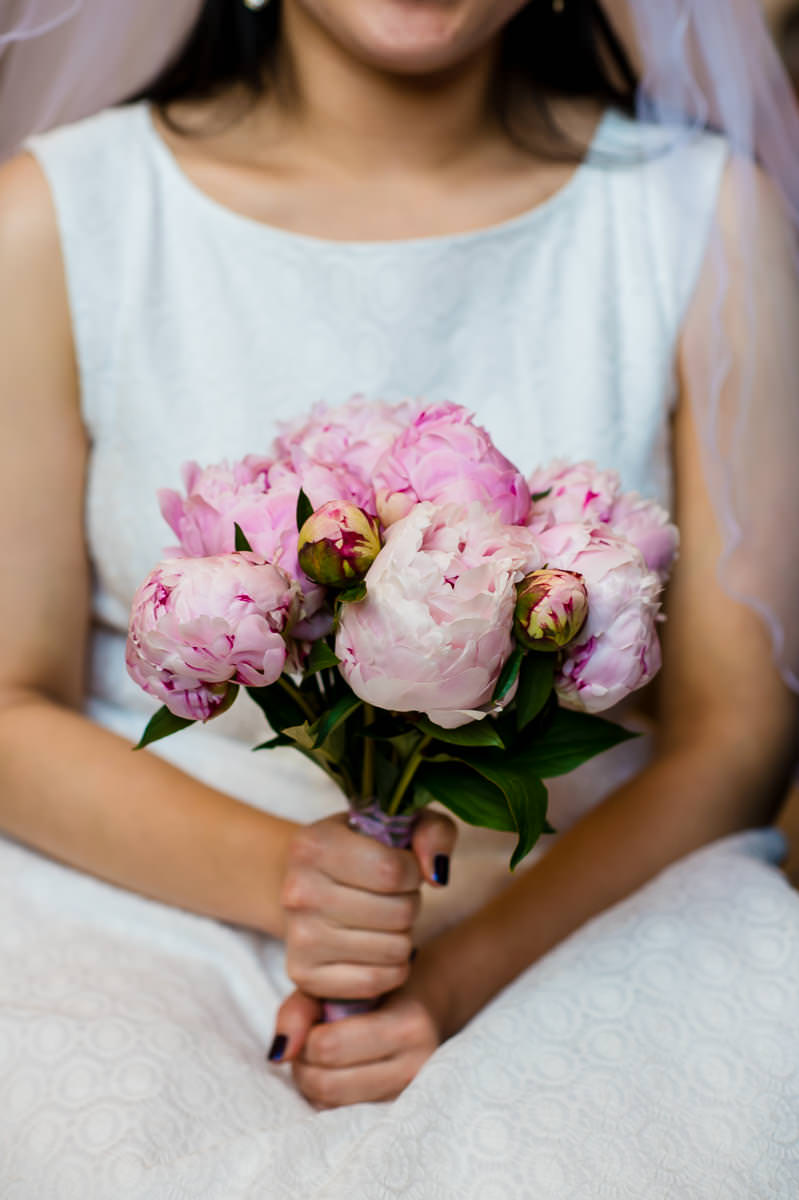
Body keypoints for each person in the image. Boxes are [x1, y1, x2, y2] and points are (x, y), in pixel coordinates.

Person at [0, 1, 797, 1196]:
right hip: (130, 904)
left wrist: (459, 968)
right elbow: (10, 703)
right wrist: (292, 877)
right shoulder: (58, 216)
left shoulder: (697, 216)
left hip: (575, 906)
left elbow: (734, 735)